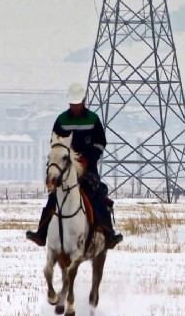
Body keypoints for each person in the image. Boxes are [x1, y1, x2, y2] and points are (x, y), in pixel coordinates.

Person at [26, 82, 123, 249]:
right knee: (54, 198)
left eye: (77, 104)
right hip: (67, 169)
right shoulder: (61, 120)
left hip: (87, 168)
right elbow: (55, 143)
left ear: (84, 101)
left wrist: (89, 158)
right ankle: (41, 233)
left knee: (97, 195)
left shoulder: (93, 119)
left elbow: (100, 142)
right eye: (72, 104)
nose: (75, 107)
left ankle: (109, 234)